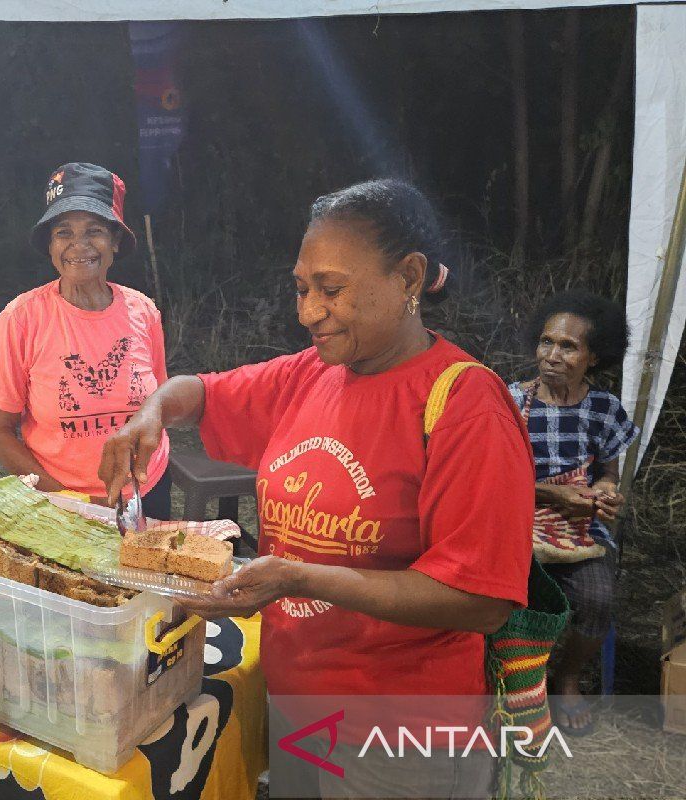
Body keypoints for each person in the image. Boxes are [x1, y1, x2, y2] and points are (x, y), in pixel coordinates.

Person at [100, 179, 534, 798]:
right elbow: (203, 391)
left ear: (409, 277)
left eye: (331, 290)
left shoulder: (465, 404)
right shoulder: (315, 374)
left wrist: (299, 578)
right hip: (297, 705)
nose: (307, 312)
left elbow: (481, 599)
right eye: (301, 289)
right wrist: (152, 411)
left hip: (399, 737)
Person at [0, 162, 171, 518]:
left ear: (115, 240)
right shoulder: (21, 318)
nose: (78, 245)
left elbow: (158, 402)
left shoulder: (143, 310)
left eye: (95, 231)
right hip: (60, 502)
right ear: (51, 245)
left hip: (148, 490)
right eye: (63, 232)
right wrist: (64, 500)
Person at [509, 290, 637, 736]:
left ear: (593, 357)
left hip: (579, 531)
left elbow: (608, 476)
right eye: (547, 342)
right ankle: (515, 680)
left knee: (598, 599)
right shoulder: (509, 401)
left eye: (568, 346)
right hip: (515, 522)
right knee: (502, 597)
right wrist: (551, 494)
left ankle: (565, 677)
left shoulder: (603, 409)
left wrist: (604, 495)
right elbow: (493, 482)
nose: (553, 356)